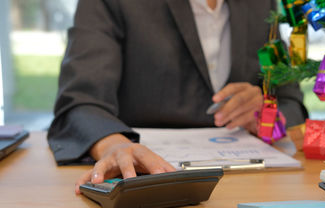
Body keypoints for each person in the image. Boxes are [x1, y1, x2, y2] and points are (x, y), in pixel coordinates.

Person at [47, 0, 308, 193]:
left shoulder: (261, 5)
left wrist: (266, 114)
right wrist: (114, 146)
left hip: (249, 186)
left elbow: (291, 102)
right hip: (145, 186)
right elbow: (79, 102)